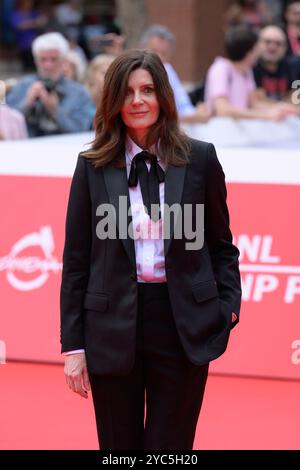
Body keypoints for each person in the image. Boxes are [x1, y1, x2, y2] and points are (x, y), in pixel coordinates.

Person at [60, 49, 242, 450]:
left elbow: (221, 246)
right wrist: (74, 346)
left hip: (182, 323)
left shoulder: (199, 158)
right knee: (118, 449)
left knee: (170, 450)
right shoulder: (92, 165)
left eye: (147, 90)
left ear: (162, 95)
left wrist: (226, 306)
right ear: (113, 101)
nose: (137, 100)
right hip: (110, 326)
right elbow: (75, 262)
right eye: (127, 92)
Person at [6, 32, 94, 137]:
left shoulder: (79, 93)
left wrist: (55, 111)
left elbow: (81, 131)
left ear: (63, 61)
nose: (48, 65)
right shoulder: (23, 86)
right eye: (43, 59)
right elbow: (7, 126)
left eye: (54, 59)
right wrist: (27, 103)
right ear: (36, 61)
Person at [205, 24, 297, 120]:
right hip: (219, 132)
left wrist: (281, 108)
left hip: (237, 131)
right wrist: (266, 116)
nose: (259, 51)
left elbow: (254, 104)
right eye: (257, 48)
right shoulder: (221, 69)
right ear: (249, 52)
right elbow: (223, 110)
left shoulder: (246, 71)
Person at [139, 25, 211, 123]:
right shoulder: (138, 74)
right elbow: (156, 116)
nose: (158, 57)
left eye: (164, 54)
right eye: (154, 52)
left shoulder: (168, 69)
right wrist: (193, 117)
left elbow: (184, 105)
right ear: (142, 48)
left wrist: (197, 111)